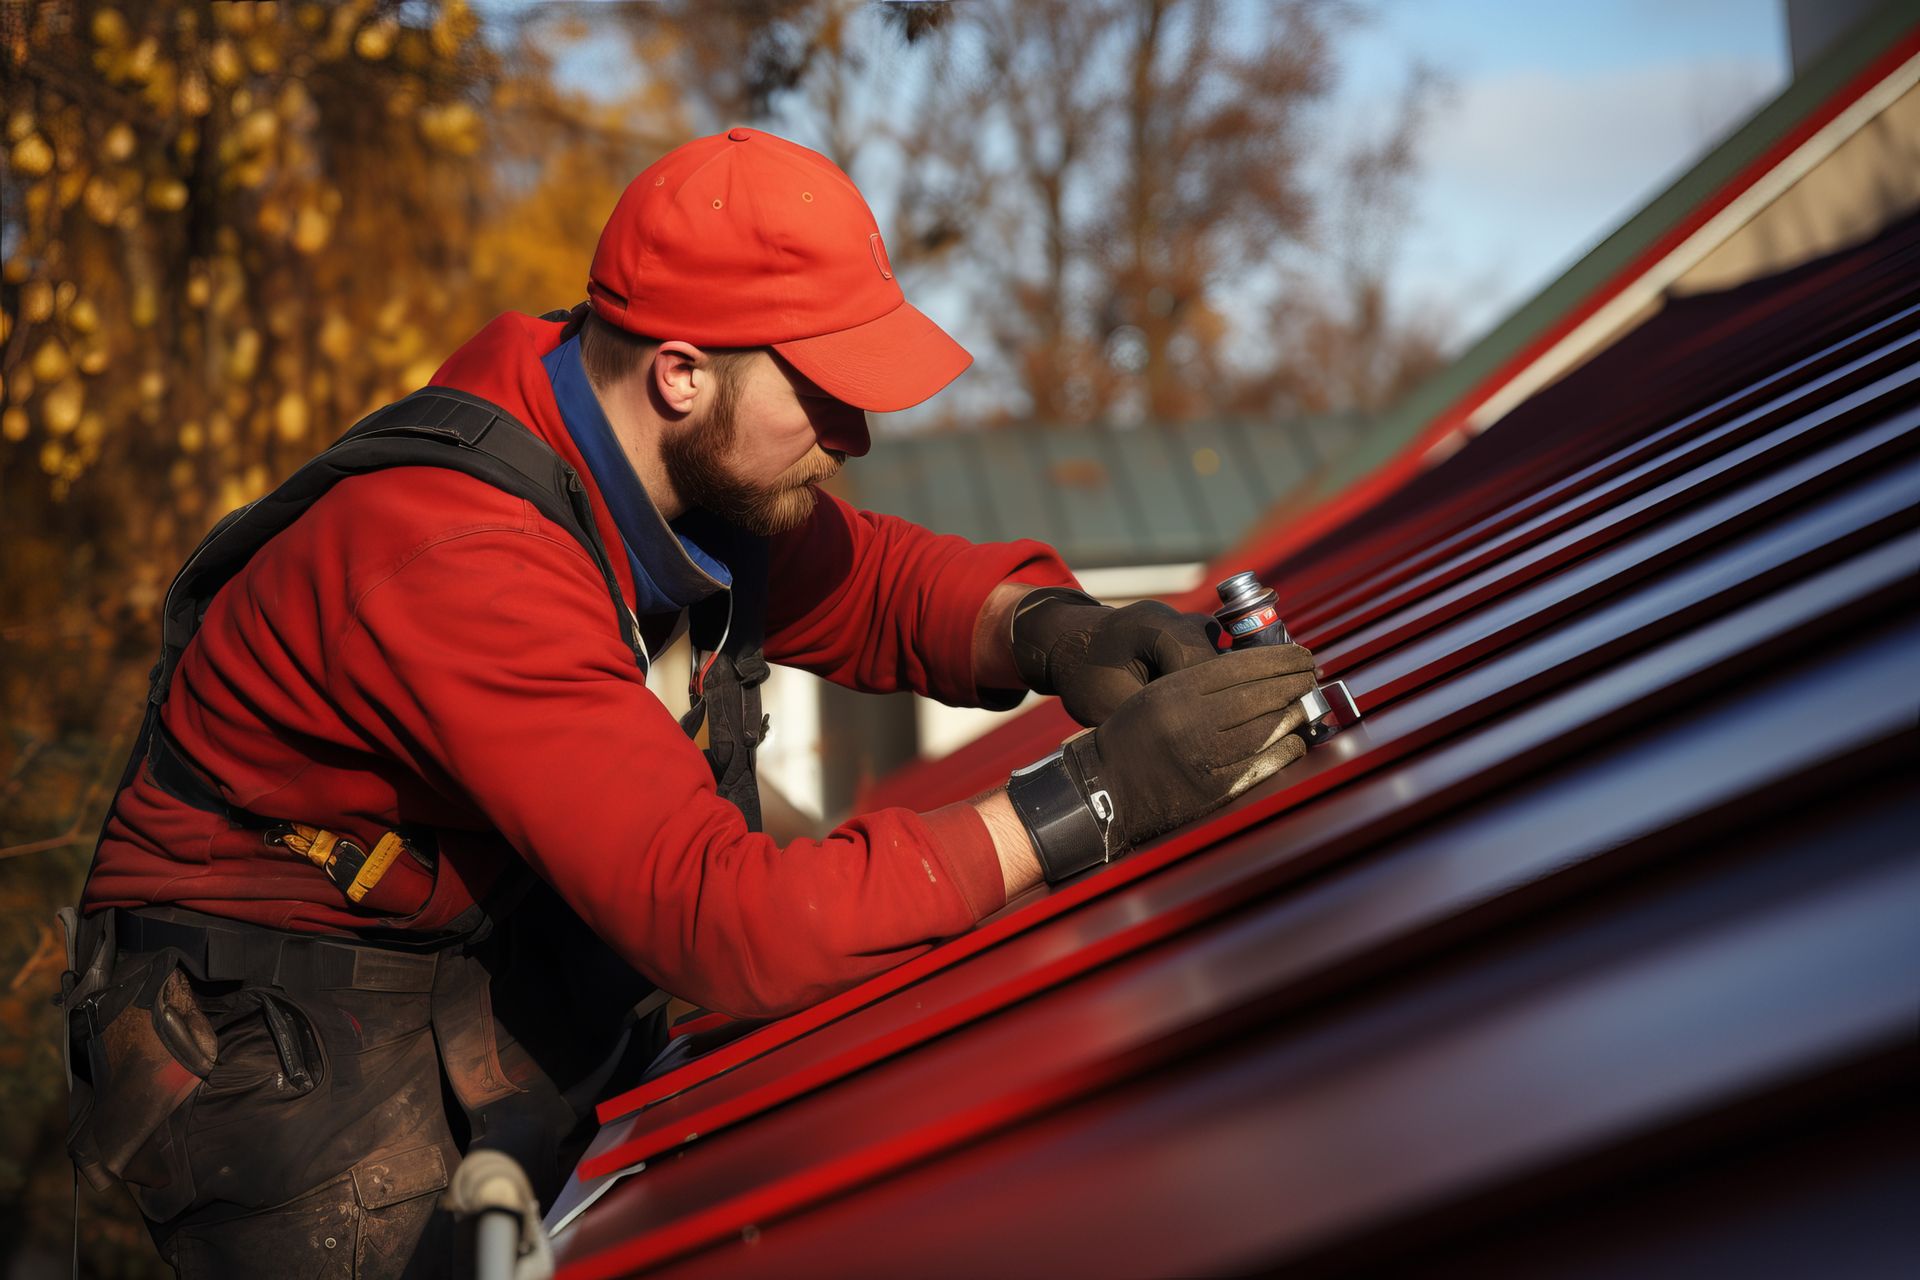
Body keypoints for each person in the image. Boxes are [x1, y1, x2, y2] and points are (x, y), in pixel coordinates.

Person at [59, 128, 1320, 1277]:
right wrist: (1090, 798)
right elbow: (726, 922)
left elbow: (872, 580)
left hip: (451, 923)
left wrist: (1054, 629)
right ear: (679, 374)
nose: (857, 432)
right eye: (825, 390)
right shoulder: (459, 562)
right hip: (264, 1028)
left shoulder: (643, 439)